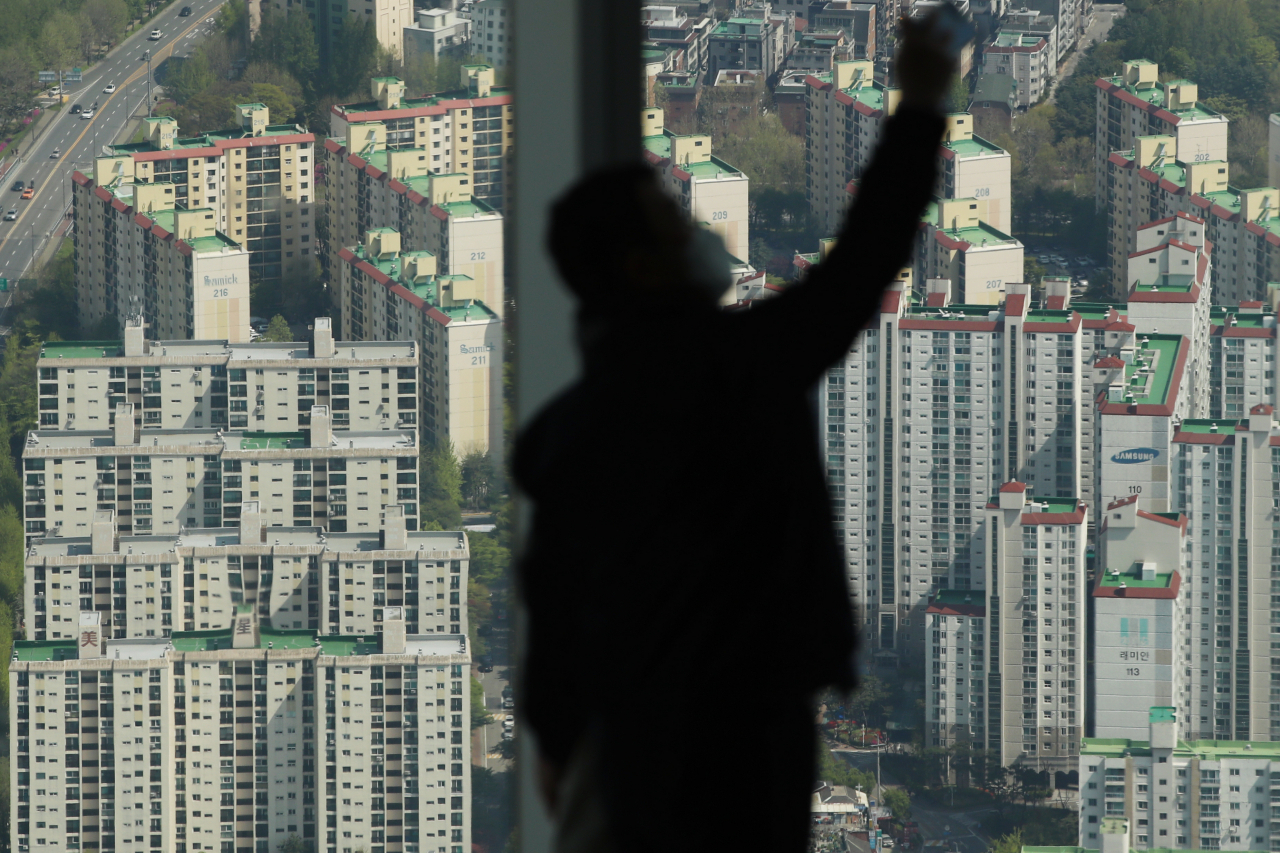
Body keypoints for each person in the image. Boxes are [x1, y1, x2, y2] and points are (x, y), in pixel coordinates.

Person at [515, 13, 957, 853]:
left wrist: (558, 740)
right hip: (742, 739)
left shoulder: (567, 435)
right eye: (671, 222)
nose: (697, 231)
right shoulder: (731, 367)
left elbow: (555, 612)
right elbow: (862, 266)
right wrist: (922, 103)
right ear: (643, 267)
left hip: (633, 749)